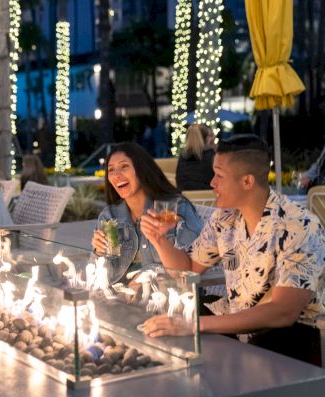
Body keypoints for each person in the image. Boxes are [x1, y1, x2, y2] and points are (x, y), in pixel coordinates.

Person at [140, 134, 325, 366]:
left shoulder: (298, 226)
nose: (211, 183)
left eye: (219, 175)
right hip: (240, 330)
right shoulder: (225, 218)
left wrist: (194, 324)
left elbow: (284, 312)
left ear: (247, 182)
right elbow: (187, 270)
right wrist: (159, 240)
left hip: (290, 340)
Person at [91, 142, 203, 283]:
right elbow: (98, 275)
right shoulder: (110, 216)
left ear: (142, 169)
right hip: (119, 299)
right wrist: (98, 252)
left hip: (169, 298)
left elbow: (191, 269)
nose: (116, 175)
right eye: (111, 170)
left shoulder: (173, 209)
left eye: (124, 166)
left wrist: (149, 277)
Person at [175, 124, 216, 190]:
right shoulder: (212, 156)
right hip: (208, 197)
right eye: (210, 136)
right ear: (205, 138)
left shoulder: (182, 156)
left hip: (184, 197)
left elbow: (179, 181)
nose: (213, 138)